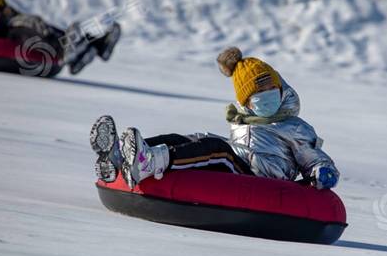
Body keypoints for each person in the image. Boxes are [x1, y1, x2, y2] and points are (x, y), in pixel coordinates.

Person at [89, 47, 340, 190]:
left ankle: (149, 162)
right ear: (245, 102)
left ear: (281, 90)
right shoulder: (243, 120)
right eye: (257, 94)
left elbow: (311, 157)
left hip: (266, 177)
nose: (266, 97)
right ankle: (125, 155)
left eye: (270, 91)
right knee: (196, 138)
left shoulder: (294, 127)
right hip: (242, 164)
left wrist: (323, 170)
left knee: (218, 150)